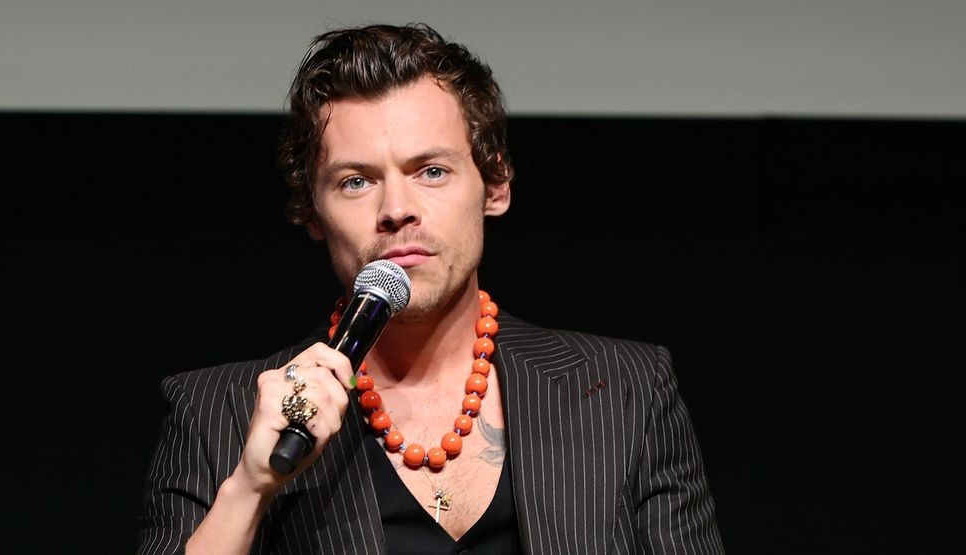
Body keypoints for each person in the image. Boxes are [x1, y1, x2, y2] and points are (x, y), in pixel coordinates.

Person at [136, 22, 724, 555]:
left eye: (431, 172)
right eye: (356, 181)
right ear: (312, 213)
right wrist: (249, 487)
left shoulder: (625, 390)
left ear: (494, 186)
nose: (396, 210)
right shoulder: (217, 413)